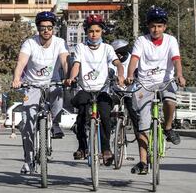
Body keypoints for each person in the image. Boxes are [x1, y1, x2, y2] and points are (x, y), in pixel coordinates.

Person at [126, 6, 186, 176]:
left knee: (169, 101)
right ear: (148, 26)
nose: (156, 29)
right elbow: (134, 60)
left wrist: (180, 75)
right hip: (144, 84)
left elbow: (176, 60)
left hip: (166, 81)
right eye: (153, 26)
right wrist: (130, 75)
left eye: (160, 26)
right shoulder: (141, 41)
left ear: (165, 27)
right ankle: (143, 162)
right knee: (143, 126)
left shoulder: (171, 40)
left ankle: (168, 128)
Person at [12, 10, 69, 175]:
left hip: (52, 83)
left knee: (59, 92)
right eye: (43, 27)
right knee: (26, 125)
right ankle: (28, 161)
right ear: (38, 28)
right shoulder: (30, 43)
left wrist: (68, 77)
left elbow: (65, 61)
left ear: (54, 28)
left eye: (49, 27)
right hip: (32, 86)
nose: (46, 31)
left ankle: (55, 123)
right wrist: (17, 78)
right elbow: (21, 62)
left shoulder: (60, 42)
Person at [67, 14, 124, 165]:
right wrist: (72, 78)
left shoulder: (107, 48)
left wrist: (120, 75)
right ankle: (82, 147)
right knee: (81, 117)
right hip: (85, 88)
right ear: (86, 32)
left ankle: (106, 149)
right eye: (91, 31)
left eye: (97, 31)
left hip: (102, 90)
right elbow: (76, 65)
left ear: (102, 32)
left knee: (105, 116)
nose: (94, 34)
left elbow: (118, 63)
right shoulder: (81, 47)